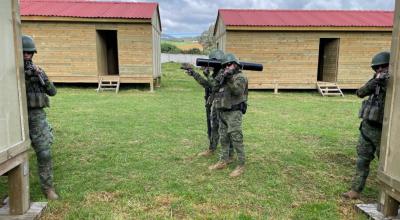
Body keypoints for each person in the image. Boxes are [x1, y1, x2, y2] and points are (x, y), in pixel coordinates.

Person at [342, 51, 390, 199]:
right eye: (377, 68)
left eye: (383, 67)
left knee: (387, 166)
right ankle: (356, 190)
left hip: (385, 131)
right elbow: (360, 93)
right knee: (362, 160)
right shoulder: (374, 81)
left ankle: (387, 195)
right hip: (367, 128)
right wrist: (374, 82)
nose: (380, 70)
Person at [22, 35, 59, 200]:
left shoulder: (38, 71)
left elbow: (52, 92)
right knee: (15, 156)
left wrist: (41, 78)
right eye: (23, 52)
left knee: (44, 153)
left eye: (29, 53)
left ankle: (48, 188)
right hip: (16, 117)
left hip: (36, 116)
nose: (27, 56)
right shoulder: (9, 73)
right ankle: (18, 189)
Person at [182, 50, 234, 159]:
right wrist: (194, 74)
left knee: (226, 128)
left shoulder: (224, 72)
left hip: (225, 104)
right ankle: (212, 148)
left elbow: (214, 85)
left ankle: (230, 152)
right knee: (214, 126)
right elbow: (207, 84)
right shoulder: (215, 72)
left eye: (213, 62)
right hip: (216, 102)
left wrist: (207, 75)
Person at [208, 53, 248, 177]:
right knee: (224, 138)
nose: (228, 67)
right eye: (225, 65)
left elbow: (237, 91)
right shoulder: (223, 76)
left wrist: (229, 78)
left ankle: (241, 164)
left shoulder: (240, 77)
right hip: (223, 112)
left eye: (230, 64)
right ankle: (224, 160)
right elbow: (214, 87)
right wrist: (219, 77)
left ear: (236, 65)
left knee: (236, 137)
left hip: (234, 112)